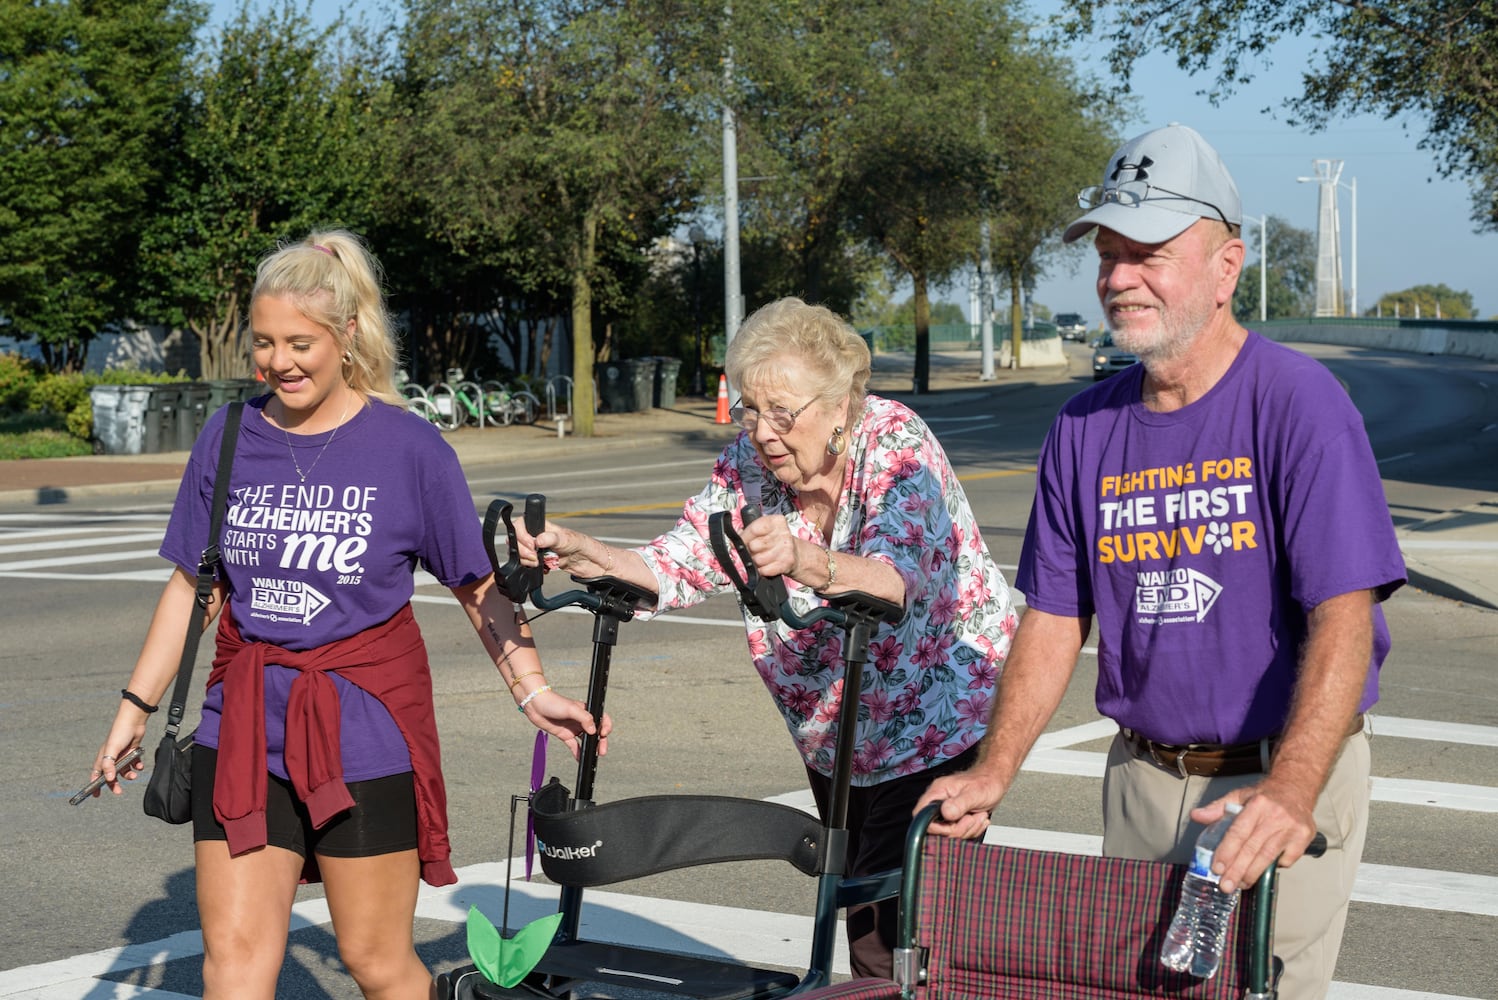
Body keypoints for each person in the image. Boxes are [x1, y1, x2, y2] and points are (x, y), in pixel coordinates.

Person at [917, 124, 1405, 1000]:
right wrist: (994, 770)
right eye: (1109, 254)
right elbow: (1056, 617)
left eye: (1148, 253)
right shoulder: (1083, 428)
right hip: (1141, 780)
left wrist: (1292, 790)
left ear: (1227, 266)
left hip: (1273, 783)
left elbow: (1344, 619)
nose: (1117, 278)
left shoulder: (1298, 404)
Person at [84, 230, 607, 1000]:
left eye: (300, 342)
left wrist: (534, 692)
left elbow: (475, 587)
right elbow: (194, 590)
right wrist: (135, 707)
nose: (279, 362)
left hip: (364, 731)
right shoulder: (228, 438)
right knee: (233, 962)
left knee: (376, 963)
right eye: (263, 343)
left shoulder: (409, 449)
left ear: (347, 336)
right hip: (240, 728)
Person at [515, 296, 1018, 978]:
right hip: (835, 728)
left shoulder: (897, 445)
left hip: (938, 716)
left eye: (783, 412)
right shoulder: (746, 470)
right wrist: (585, 552)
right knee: (863, 901)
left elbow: (896, 582)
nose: (763, 431)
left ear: (839, 404)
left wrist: (806, 560)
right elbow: (680, 560)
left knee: (894, 921)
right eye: (750, 410)